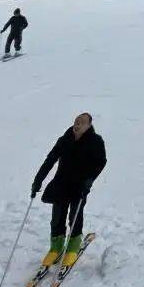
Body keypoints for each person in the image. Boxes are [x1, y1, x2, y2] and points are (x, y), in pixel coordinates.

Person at [31, 113, 107, 267]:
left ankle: (73, 247)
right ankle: (56, 247)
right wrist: (38, 180)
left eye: (81, 122)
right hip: (61, 183)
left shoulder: (95, 141)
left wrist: (89, 180)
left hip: (80, 185)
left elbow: (101, 162)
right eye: (76, 122)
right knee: (57, 216)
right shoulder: (65, 139)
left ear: (89, 125)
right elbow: (50, 159)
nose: (77, 125)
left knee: (75, 215)